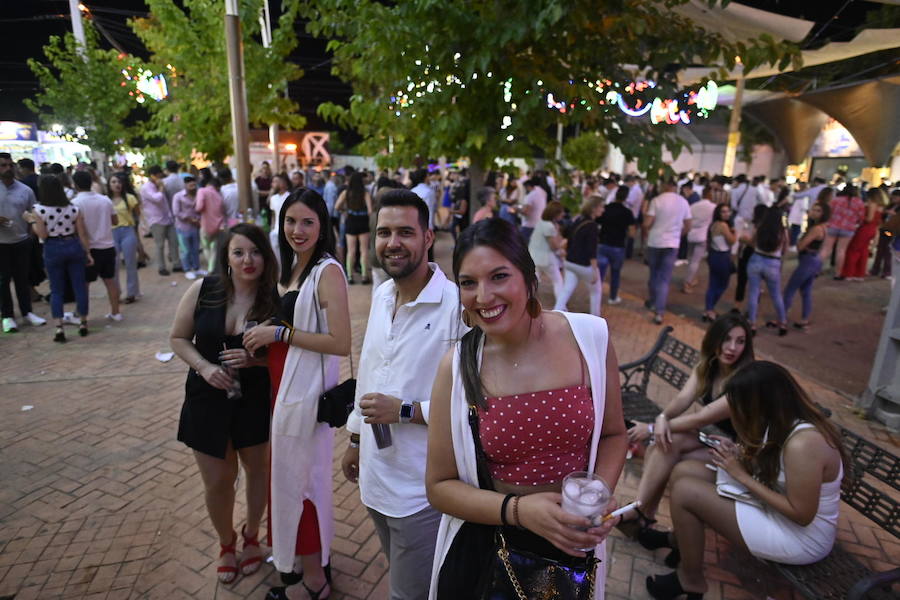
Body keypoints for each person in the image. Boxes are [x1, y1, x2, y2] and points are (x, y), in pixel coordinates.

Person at [426, 217, 627, 599]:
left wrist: (597, 494)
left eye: (499, 276)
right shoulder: (456, 367)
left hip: (573, 548)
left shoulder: (590, 337)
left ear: (529, 278)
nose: (483, 296)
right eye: (468, 283)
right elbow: (439, 487)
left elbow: (615, 434)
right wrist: (519, 511)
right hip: (492, 554)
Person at [340, 190, 459, 600]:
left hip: (421, 491)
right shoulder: (382, 294)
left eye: (405, 232)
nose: (393, 242)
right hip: (375, 477)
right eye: (384, 232)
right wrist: (356, 439)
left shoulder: (455, 307)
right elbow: (370, 371)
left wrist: (405, 411)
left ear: (428, 237)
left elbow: (473, 404)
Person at [644, 361, 844, 600]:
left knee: (685, 492)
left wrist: (741, 475)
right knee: (684, 471)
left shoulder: (804, 444)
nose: (737, 412)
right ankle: (679, 542)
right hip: (775, 507)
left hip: (800, 537)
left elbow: (802, 515)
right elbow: (776, 468)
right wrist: (739, 454)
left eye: (740, 404)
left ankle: (691, 580)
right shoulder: (778, 421)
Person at [242, 189, 350, 600]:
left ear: (322, 226)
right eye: (290, 220)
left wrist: (279, 333)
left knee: (303, 484)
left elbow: (340, 342)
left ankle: (315, 582)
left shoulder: (328, 272)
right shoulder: (290, 267)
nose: (297, 230)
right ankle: (306, 564)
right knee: (288, 482)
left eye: (307, 222)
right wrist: (258, 351)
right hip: (282, 391)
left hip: (305, 399)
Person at [169, 223, 278, 585]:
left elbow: (288, 356)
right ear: (226, 257)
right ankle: (226, 543)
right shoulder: (204, 290)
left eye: (256, 252)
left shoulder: (274, 299)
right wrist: (204, 367)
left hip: (254, 398)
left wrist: (256, 361)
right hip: (206, 398)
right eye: (239, 252)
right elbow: (178, 338)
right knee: (218, 481)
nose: (248, 260)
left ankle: (252, 536)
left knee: (257, 471)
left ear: (266, 257)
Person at [621, 314, 753, 540]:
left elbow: (701, 418)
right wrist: (663, 417)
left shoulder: (744, 380)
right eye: (726, 339)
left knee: (665, 448)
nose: (732, 347)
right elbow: (683, 399)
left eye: (740, 341)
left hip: (741, 454)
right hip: (718, 443)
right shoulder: (709, 366)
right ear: (714, 339)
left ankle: (641, 513)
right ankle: (643, 512)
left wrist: (651, 428)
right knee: (667, 442)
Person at [29, 175, 92, 341]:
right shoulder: (73, 208)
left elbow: (42, 235)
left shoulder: (38, 210)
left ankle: (59, 327)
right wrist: (88, 252)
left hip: (52, 247)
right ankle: (83, 322)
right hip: (73, 244)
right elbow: (82, 233)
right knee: (79, 286)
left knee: (57, 289)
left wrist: (32, 222)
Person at [0, 152, 45, 333]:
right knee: (3, 280)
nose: (8, 168)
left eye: (10, 165)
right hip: (1, 242)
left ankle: (27, 312)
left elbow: (33, 213)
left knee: (23, 278)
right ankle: (7, 316)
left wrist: (31, 234)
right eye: (3, 165)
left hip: (21, 240)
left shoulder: (25, 190)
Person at [72, 171, 121, 322]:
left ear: (75, 185)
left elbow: (75, 228)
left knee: (84, 284)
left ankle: (82, 315)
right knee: (110, 281)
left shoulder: (75, 203)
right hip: (108, 245)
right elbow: (115, 221)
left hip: (88, 249)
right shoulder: (105, 200)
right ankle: (116, 312)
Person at [644, 180, 692, 324]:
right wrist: (678, 235)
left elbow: (647, 223)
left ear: (664, 185)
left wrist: (647, 230)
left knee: (654, 274)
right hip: (672, 243)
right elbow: (688, 225)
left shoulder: (657, 200)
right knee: (664, 279)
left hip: (655, 242)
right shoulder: (683, 202)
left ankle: (653, 301)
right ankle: (660, 312)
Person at [782, 202, 830, 331]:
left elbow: (800, 246)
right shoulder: (822, 227)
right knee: (806, 291)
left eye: (818, 210)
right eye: (813, 209)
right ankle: (804, 319)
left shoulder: (816, 229)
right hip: (814, 260)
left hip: (808, 261)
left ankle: (782, 318)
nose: (813, 212)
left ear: (824, 214)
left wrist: (799, 242)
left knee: (790, 289)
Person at [556, 196, 604, 316]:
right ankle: (596, 319)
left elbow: (567, 235)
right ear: (594, 208)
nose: (603, 210)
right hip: (583, 264)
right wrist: (594, 270)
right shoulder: (592, 226)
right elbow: (591, 250)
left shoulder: (578, 219)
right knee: (596, 292)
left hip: (570, 261)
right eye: (601, 207)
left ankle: (556, 312)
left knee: (567, 289)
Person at [745, 206, 789, 336]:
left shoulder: (760, 227)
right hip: (773, 263)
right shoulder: (782, 231)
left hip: (756, 259)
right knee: (776, 295)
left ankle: (752, 324)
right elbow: (785, 249)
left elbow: (752, 243)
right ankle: (782, 323)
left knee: (754, 293)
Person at [140, 165, 183, 276]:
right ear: (152, 176)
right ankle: (161, 267)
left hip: (167, 218)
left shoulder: (160, 185)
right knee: (160, 245)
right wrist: (161, 188)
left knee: (174, 242)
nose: (160, 178)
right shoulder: (146, 188)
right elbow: (157, 199)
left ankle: (176, 264)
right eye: (158, 176)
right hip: (156, 220)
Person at [598, 185, 636, 304]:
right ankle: (613, 297)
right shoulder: (627, 212)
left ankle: (596, 296)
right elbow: (632, 232)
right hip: (618, 245)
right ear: (626, 197)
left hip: (603, 242)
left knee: (600, 274)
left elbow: (597, 222)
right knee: (615, 273)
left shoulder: (606, 208)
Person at [108, 173, 142, 304]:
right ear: (109, 184)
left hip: (128, 230)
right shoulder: (106, 200)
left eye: (119, 182)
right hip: (112, 233)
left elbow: (137, 214)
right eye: (113, 182)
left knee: (130, 263)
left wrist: (135, 229)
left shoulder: (130, 198)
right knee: (114, 265)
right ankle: (116, 293)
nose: (117, 184)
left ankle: (132, 293)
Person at [335, 171, 373, 284]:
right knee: (364, 250)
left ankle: (350, 276)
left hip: (350, 221)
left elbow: (336, 207)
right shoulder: (365, 193)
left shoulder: (346, 193)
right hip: (363, 222)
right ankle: (364, 276)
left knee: (351, 251)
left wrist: (345, 211)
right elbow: (370, 211)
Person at [819, 186, 865, 280]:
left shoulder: (836, 200)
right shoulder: (859, 202)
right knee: (841, 251)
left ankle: (816, 270)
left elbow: (828, 212)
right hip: (848, 229)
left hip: (832, 226)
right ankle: (838, 273)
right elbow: (861, 218)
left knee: (826, 249)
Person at [701, 204, 737, 322]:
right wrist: (735, 233)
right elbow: (731, 241)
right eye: (723, 212)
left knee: (713, 284)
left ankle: (708, 309)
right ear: (718, 213)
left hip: (714, 255)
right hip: (722, 257)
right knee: (722, 285)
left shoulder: (713, 225)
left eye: (728, 211)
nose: (727, 214)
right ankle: (710, 309)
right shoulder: (723, 225)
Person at [841, 187, 886, 280]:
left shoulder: (872, 204)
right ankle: (859, 274)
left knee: (853, 250)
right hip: (872, 229)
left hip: (865, 229)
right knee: (863, 251)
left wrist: (859, 216)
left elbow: (869, 219)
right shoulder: (880, 205)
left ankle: (849, 273)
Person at [528, 200, 566, 308]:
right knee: (558, 281)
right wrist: (561, 250)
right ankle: (561, 307)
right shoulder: (549, 226)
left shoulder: (541, 223)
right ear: (555, 214)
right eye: (561, 212)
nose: (563, 214)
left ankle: (527, 300)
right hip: (546, 259)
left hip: (534, 257)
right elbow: (554, 245)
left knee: (533, 280)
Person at [683, 188, 716, 293]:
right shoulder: (713, 207)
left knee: (690, 258)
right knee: (696, 261)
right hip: (703, 235)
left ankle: (692, 277)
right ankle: (688, 282)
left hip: (691, 234)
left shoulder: (694, 206)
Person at [173, 176, 203, 280]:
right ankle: (187, 269)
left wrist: (198, 220)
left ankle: (196, 268)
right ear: (185, 185)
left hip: (196, 227)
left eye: (194, 185)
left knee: (195, 249)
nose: (193, 187)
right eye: (190, 185)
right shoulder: (178, 196)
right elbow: (176, 212)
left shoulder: (199, 194)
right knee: (185, 250)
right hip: (183, 227)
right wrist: (190, 219)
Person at [195, 176, 226, 274]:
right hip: (218, 226)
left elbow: (199, 207)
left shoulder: (202, 191)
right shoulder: (219, 195)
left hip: (205, 225)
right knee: (214, 248)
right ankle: (212, 268)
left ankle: (211, 268)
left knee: (206, 247)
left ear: (208, 184)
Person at [871, 189, 900, 278]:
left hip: (893, 231)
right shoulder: (890, 205)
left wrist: (893, 214)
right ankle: (875, 269)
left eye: (896, 197)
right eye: (893, 197)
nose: (893, 199)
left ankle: (886, 271)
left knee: (888, 250)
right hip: (884, 229)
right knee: (880, 249)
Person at [519, 177, 547, 244]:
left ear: (528, 187)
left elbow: (526, 211)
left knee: (522, 244)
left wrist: (517, 210)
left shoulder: (530, 196)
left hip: (528, 225)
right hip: (539, 223)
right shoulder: (542, 192)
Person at [268, 174, 291, 253]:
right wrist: (272, 229)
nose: (272, 184)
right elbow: (273, 215)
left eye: (275, 182)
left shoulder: (290, 197)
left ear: (283, 183)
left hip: (287, 232)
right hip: (275, 232)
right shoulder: (273, 198)